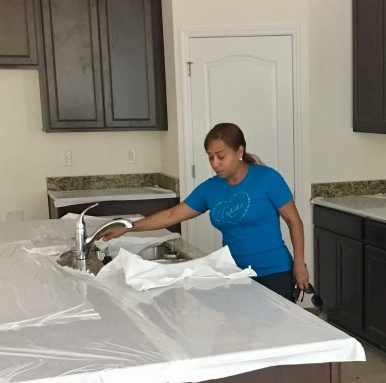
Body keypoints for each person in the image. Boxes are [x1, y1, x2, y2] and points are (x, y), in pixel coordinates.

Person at [101, 122, 309, 300]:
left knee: (275, 338)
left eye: (220, 156)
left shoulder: (267, 178)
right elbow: (172, 215)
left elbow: (294, 221)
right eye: (210, 157)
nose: (215, 164)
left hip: (275, 271)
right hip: (234, 273)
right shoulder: (211, 188)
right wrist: (128, 226)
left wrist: (299, 264)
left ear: (239, 151)